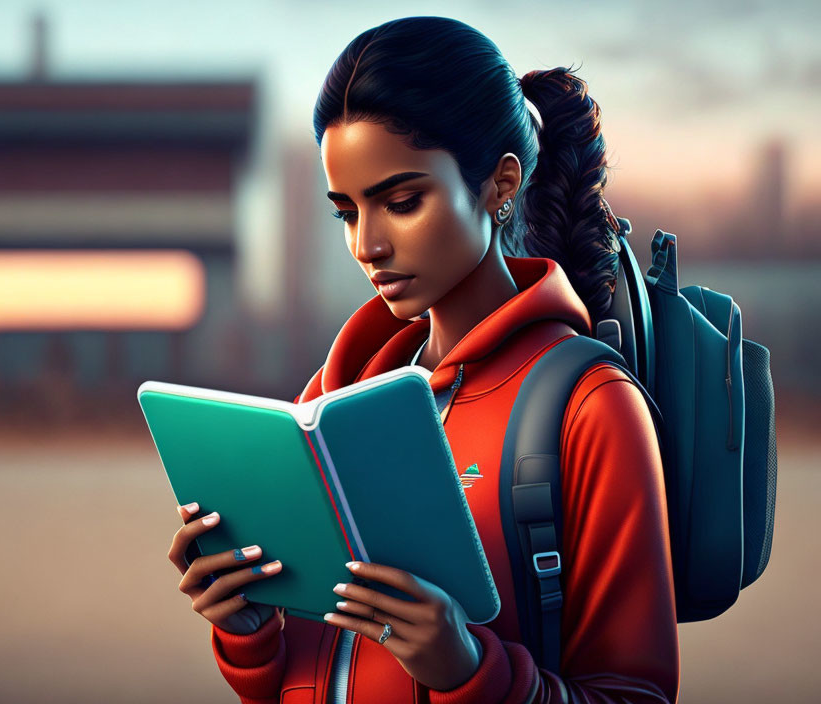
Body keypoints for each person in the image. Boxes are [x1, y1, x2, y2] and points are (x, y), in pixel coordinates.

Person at [167, 16, 679, 704]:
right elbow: (310, 675)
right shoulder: (328, 400)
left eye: (401, 202)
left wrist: (469, 670)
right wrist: (250, 630)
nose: (367, 245)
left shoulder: (587, 406)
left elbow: (633, 696)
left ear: (500, 185)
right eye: (345, 211)